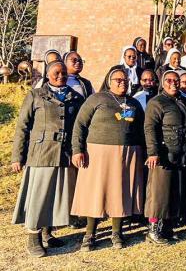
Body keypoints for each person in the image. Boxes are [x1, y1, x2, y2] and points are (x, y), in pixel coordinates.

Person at [12, 61, 84, 257]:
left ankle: (47, 232)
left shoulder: (76, 98)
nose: (60, 76)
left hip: (64, 154)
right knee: (40, 196)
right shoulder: (35, 95)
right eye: (56, 73)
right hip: (41, 153)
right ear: (48, 74)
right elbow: (22, 127)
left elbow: (79, 129)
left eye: (63, 73)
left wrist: (77, 150)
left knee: (56, 196)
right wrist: (17, 156)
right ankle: (33, 237)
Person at [71, 68, 145, 251]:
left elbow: (142, 130)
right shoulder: (97, 99)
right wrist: (77, 150)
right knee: (96, 193)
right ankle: (90, 234)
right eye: (118, 79)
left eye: (125, 80)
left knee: (120, 193)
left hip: (127, 154)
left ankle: (117, 232)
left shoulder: (134, 103)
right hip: (97, 154)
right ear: (109, 81)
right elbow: (80, 125)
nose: (122, 82)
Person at [144, 70, 186, 244]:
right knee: (158, 193)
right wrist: (153, 152)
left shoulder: (184, 101)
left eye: (176, 80)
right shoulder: (156, 102)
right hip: (163, 154)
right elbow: (150, 128)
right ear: (163, 83)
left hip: (180, 153)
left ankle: (166, 227)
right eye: (169, 80)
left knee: (173, 192)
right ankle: (153, 229)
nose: (174, 83)